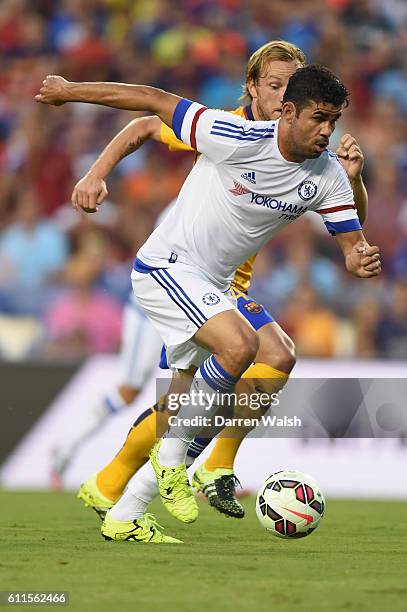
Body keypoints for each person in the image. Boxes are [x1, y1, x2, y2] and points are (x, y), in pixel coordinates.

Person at [36, 64, 381, 544]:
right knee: (240, 349)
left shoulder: (326, 176)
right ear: (284, 110)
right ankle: (183, 460)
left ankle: (125, 509)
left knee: (194, 396)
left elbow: (351, 243)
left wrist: (360, 256)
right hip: (167, 267)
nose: (327, 130)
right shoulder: (233, 133)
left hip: (216, 287)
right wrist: (70, 90)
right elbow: (151, 100)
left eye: (334, 120)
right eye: (319, 118)